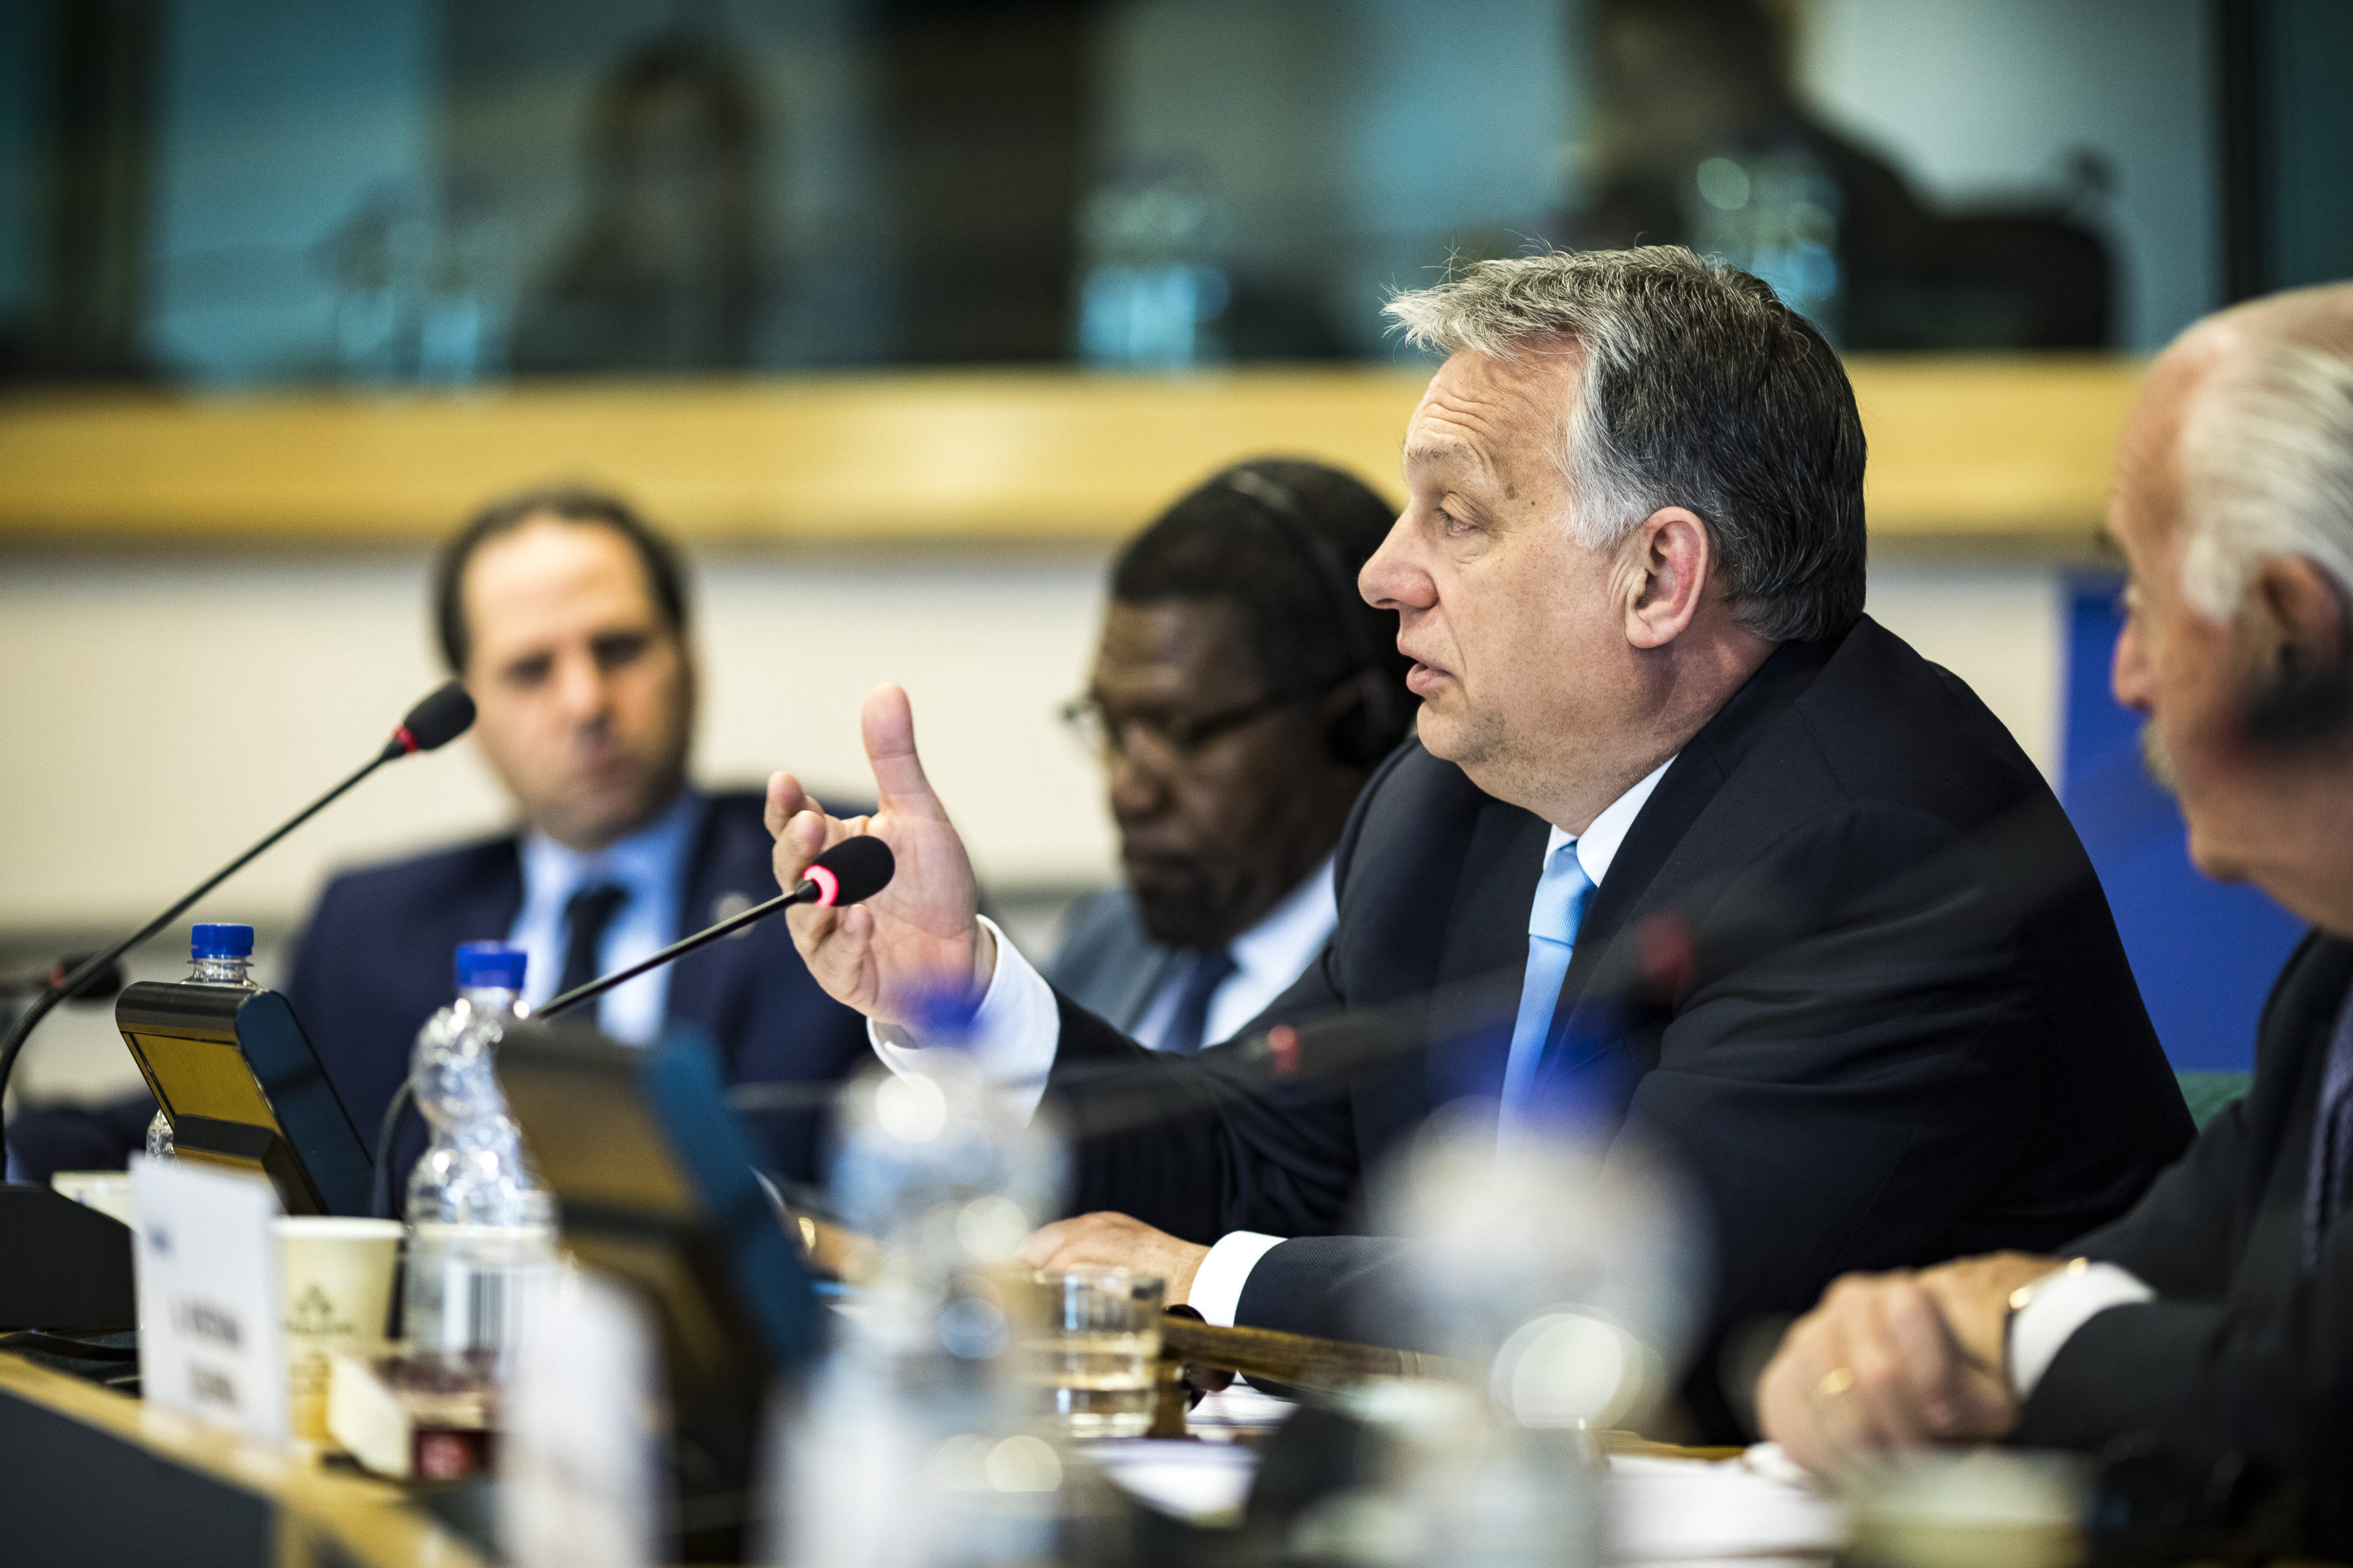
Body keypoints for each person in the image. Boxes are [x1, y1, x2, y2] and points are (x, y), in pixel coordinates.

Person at [766, 247, 2191, 1437]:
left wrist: (1211, 1282)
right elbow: (1266, 1151)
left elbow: (1625, 1304)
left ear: (1657, 574)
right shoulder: (1445, 803)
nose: (1386, 572)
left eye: (1454, 515)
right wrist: (955, 994)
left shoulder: (1877, 843)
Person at [1757, 282, 2353, 1474]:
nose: (2127, 676)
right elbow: (2133, 1278)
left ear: (2290, 638)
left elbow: (2304, 1399)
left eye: (2143, 602)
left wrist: (2013, 1333)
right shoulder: (2326, 983)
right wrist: (1912, 1334)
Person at [7, 485, 870, 1190]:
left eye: (619, 648)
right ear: (472, 713)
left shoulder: (831, 882)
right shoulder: (372, 925)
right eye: (530, 669)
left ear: (689, 660)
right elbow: (219, 1123)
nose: (585, 701)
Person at [1048, 458, 1414, 1053]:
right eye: (1111, 729)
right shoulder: (1102, 939)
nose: (1127, 794)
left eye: (1182, 732)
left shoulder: (1428, 989)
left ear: (1356, 728)